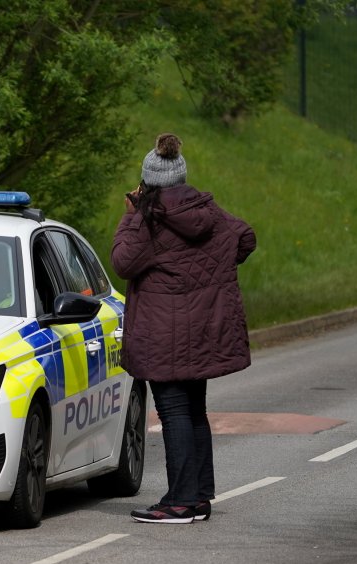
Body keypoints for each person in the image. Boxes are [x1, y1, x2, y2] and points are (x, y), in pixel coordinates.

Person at [111, 133, 256, 524]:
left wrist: (130, 215)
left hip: (164, 335)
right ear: (181, 176)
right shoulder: (206, 209)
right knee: (193, 411)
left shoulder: (149, 218)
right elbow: (245, 238)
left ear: (147, 181)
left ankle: (178, 500)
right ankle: (198, 497)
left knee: (173, 413)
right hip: (203, 331)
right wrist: (212, 272)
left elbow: (122, 262)